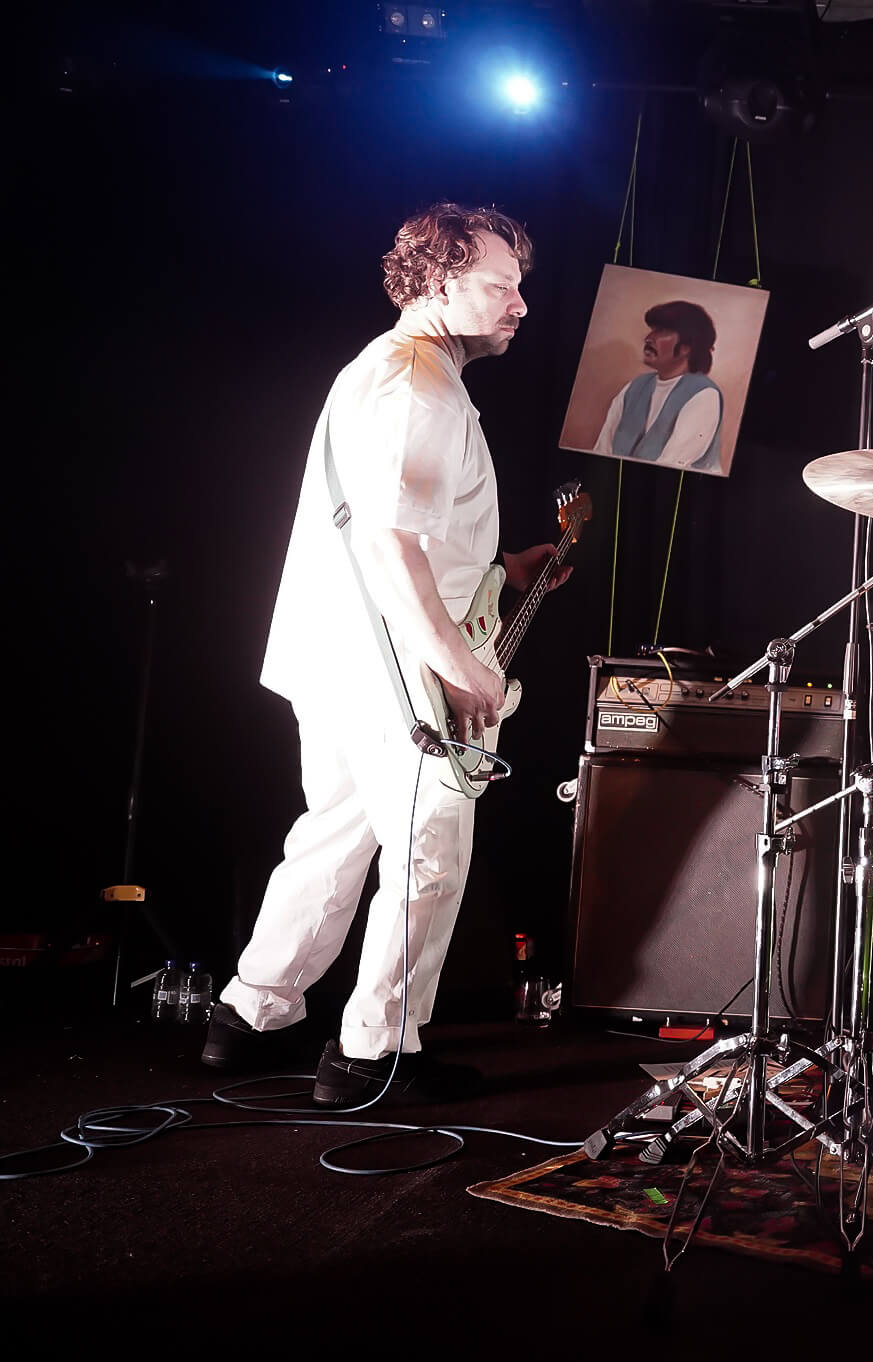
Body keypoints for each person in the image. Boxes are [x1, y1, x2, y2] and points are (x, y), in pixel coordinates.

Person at [203, 203, 563, 1107]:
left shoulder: (386, 367)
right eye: (500, 285)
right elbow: (388, 545)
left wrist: (501, 568)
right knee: (429, 849)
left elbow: (403, 530)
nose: (520, 303)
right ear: (438, 282)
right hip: (394, 666)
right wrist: (461, 664)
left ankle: (251, 1014)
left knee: (333, 833)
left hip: (338, 655)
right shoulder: (419, 387)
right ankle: (375, 1051)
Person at [593, 299, 723, 473]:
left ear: (687, 347)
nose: (648, 338)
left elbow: (671, 466)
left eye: (662, 331)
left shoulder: (704, 395)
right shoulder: (634, 387)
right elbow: (602, 450)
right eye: (653, 330)